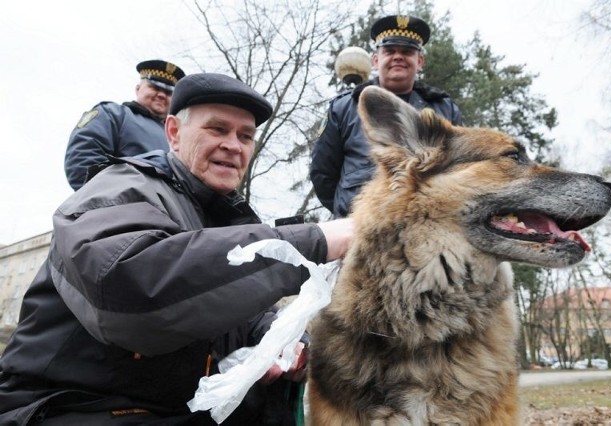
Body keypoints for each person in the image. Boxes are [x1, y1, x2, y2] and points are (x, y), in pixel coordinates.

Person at [0, 73, 353, 425]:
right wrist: (312, 241)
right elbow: (134, 291)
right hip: (71, 407)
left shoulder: (224, 221)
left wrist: (287, 342)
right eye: (217, 129)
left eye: (246, 136)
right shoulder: (120, 189)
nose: (234, 145)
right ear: (173, 132)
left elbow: (250, 317)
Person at [311, 15, 463, 218]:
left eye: (407, 51)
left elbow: (458, 168)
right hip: (357, 226)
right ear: (376, 60)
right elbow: (323, 174)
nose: (398, 57)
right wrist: (348, 211)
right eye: (389, 51)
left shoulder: (445, 109)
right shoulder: (343, 107)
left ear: (419, 61)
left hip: (426, 225)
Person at [64, 59, 186, 190]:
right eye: (154, 87)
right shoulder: (112, 113)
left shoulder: (179, 135)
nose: (162, 95)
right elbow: (83, 161)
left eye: (168, 93)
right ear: (138, 89)